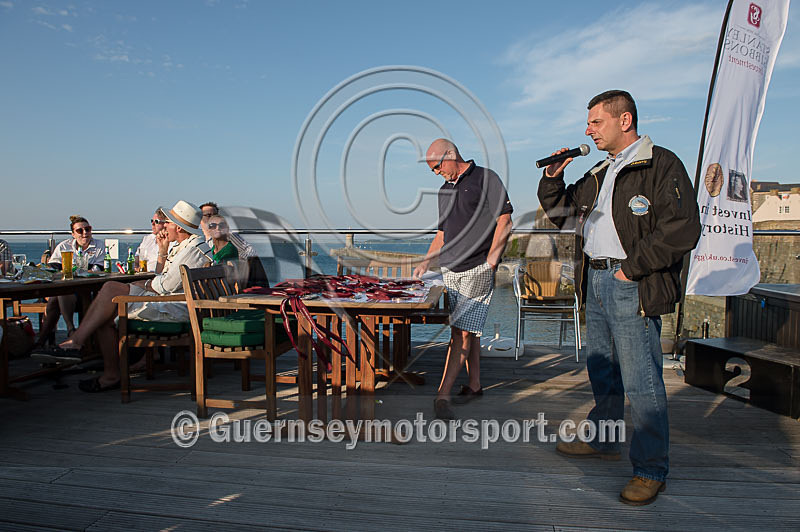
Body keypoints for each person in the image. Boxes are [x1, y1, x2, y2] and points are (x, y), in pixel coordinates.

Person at [538, 90, 701, 506]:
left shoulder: (661, 164)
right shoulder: (600, 171)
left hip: (630, 281)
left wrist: (632, 268)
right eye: (589, 123)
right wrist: (553, 178)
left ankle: (650, 469)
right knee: (603, 370)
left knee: (641, 379)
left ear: (624, 120)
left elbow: (682, 228)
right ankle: (605, 439)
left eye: (595, 122)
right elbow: (561, 215)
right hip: (595, 280)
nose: (588, 130)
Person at [33, 200, 213, 392]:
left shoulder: (192, 251)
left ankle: (89, 354)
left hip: (174, 308)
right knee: (109, 292)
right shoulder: (187, 246)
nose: (163, 225)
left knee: (107, 310)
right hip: (171, 301)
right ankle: (80, 345)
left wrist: (139, 284)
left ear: (177, 227)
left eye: (166, 222)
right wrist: (162, 251)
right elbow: (163, 279)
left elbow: (164, 286)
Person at [413, 138, 513, 420]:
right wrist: (426, 261)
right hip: (450, 270)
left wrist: (491, 262)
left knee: (462, 333)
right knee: (464, 330)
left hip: (477, 268)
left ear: (449, 155)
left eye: (436, 167)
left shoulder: (486, 178)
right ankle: (474, 384)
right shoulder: (444, 191)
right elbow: (442, 234)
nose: (436, 173)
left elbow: (504, 220)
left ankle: (442, 395)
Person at [33, 216, 104, 347]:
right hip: (69, 291)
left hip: (88, 291)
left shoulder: (99, 245)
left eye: (87, 229)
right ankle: (70, 331)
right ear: (73, 234)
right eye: (80, 231)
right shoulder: (64, 246)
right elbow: (52, 269)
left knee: (57, 297)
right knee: (60, 294)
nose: (85, 233)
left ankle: (44, 340)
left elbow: (98, 269)